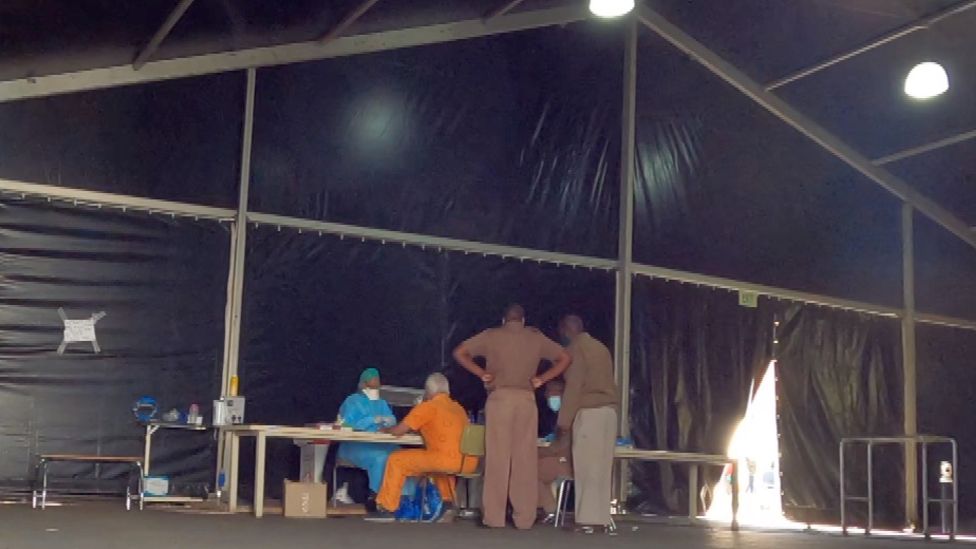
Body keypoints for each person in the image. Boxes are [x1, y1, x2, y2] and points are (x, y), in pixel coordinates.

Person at [453, 304, 571, 530]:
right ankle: (524, 518)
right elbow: (565, 357)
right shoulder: (535, 338)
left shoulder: (491, 336)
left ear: (503, 319)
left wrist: (482, 373)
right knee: (524, 461)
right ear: (524, 320)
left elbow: (459, 352)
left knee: (498, 459)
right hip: (526, 401)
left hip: (499, 400)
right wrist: (542, 379)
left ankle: (494, 518)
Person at [370, 373, 477, 522]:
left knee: (397, 459)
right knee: (440, 468)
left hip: (444, 460)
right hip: (468, 463)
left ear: (428, 392)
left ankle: (387, 508)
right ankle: (446, 503)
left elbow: (399, 431)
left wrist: (386, 429)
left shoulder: (427, 407)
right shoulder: (459, 409)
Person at [558, 314, 619, 534]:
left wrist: (564, 420)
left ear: (566, 330)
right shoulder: (601, 348)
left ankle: (586, 520)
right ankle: (601, 519)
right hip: (609, 413)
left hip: (590, 411)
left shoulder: (575, 349)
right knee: (603, 468)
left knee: (587, 467)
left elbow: (574, 385)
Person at [336, 367, 399, 499]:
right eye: (373, 377)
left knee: (400, 457)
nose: (377, 380)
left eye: (378, 377)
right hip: (356, 445)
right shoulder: (353, 401)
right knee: (380, 458)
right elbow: (347, 424)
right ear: (364, 382)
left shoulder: (382, 403)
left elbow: (392, 420)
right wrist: (372, 420)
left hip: (382, 444)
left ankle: (403, 497)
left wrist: (388, 421)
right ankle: (377, 498)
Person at [537, 379, 573, 522]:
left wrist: (535, 452)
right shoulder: (557, 416)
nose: (552, 396)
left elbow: (560, 448)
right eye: (549, 393)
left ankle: (547, 509)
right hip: (559, 460)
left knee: (527, 471)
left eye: (556, 393)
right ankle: (549, 509)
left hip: (566, 462)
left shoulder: (569, 416)